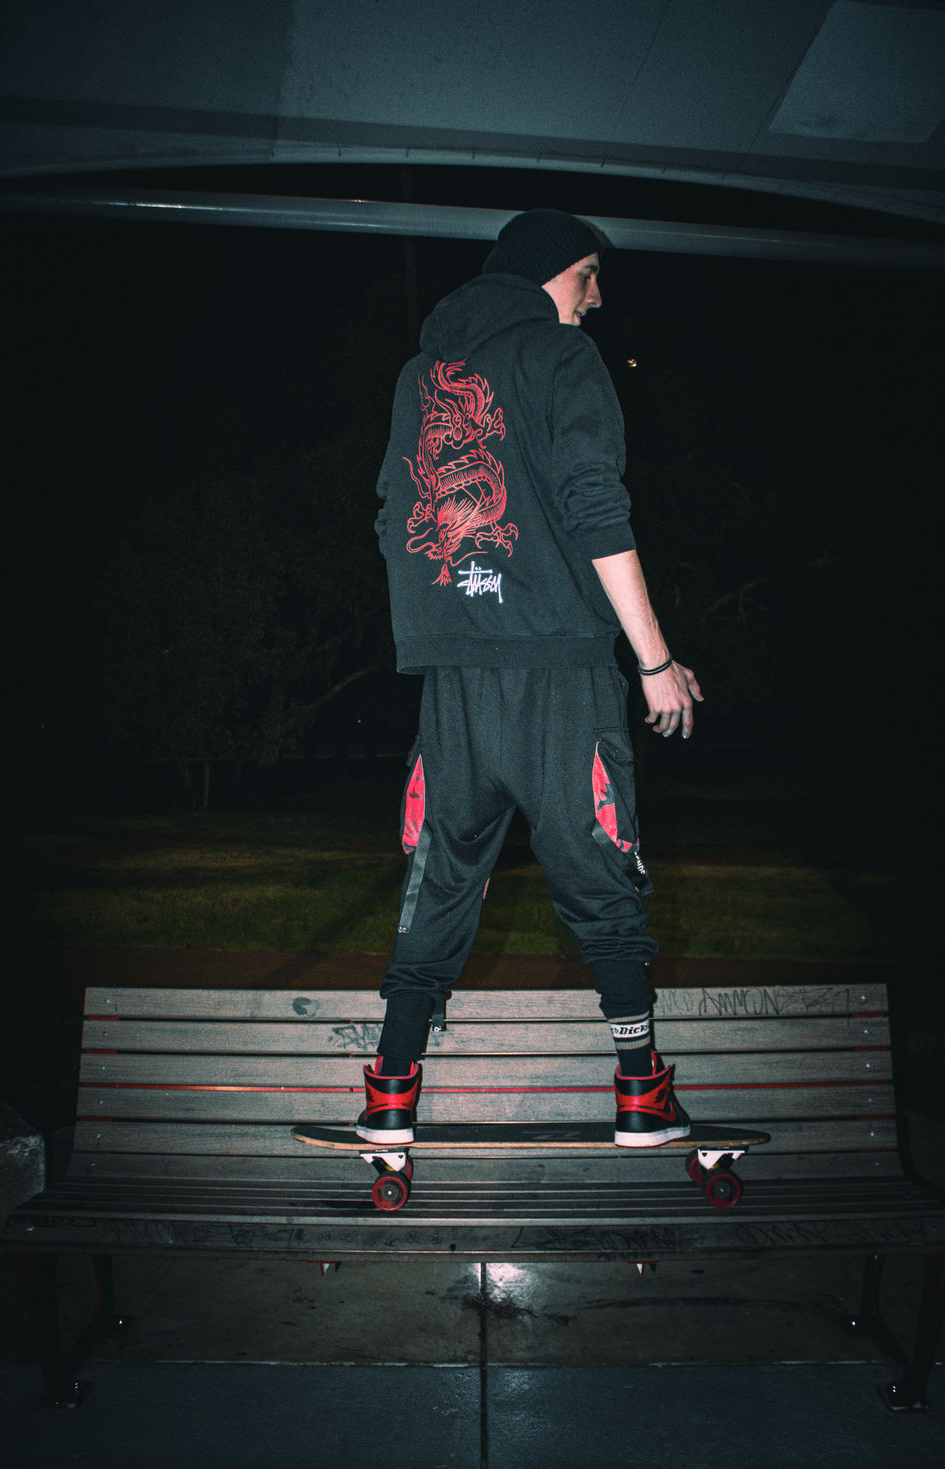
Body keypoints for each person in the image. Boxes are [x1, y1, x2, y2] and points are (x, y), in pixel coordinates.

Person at [359, 209, 702, 1150]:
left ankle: (390, 1092)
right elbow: (597, 504)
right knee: (601, 874)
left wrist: (441, 620)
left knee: (439, 880)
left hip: (456, 683)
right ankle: (639, 1091)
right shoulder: (560, 358)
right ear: (555, 271)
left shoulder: (418, 375)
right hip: (559, 672)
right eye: (591, 274)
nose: (597, 297)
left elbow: (394, 512)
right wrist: (655, 661)